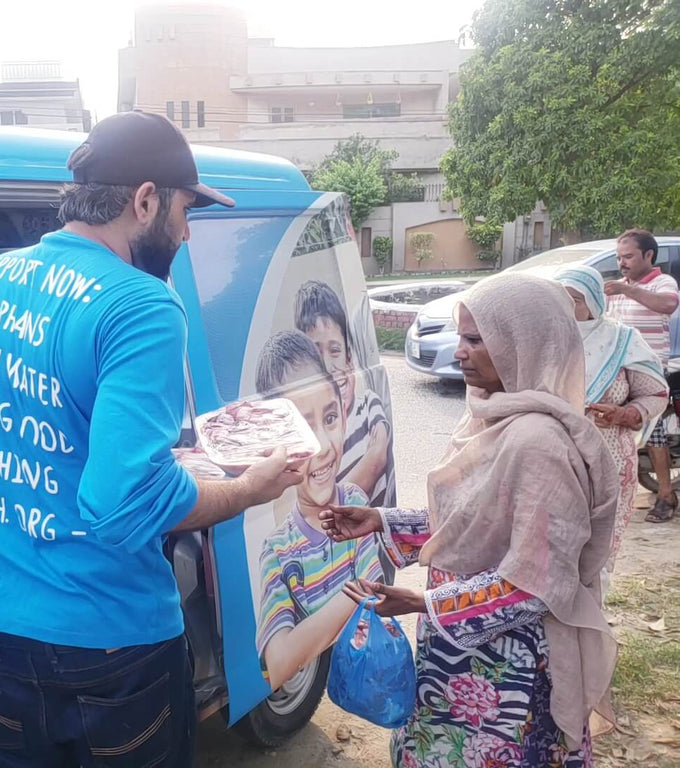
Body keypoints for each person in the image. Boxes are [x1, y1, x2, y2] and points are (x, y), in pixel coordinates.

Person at [0, 111, 302, 768]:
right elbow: (123, 503)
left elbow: (31, 429)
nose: (186, 230)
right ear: (144, 200)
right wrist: (250, 486)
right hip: (106, 640)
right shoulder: (140, 303)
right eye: (183, 211)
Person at [322, 273, 618, 768]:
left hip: (507, 670)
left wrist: (423, 602)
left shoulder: (538, 444)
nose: (459, 352)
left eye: (476, 340)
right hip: (459, 652)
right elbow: (469, 523)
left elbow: (538, 586)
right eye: (461, 337)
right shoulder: (489, 419)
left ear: (523, 343)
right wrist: (379, 519)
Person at [253, 331, 382, 688]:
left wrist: (308, 634)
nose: (324, 447)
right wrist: (355, 591)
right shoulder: (278, 551)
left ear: (343, 412)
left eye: (329, 419)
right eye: (301, 431)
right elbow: (278, 665)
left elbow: (376, 596)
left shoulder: (355, 502)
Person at [555, 265, 667, 591]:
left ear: (593, 301)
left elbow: (655, 394)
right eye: (560, 299)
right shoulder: (547, 340)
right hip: (554, 460)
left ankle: (591, 620)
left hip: (609, 461)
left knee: (596, 552)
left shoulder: (621, 340)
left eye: (574, 299)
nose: (567, 307)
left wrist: (625, 414)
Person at [294, 280, 394, 507]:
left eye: (335, 350)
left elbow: (377, 459)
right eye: (315, 353)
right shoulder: (304, 425)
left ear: (349, 359)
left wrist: (329, 508)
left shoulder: (368, 404)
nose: (328, 365)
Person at [605, 229, 680, 522]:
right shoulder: (619, 288)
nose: (622, 263)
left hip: (650, 371)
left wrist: (627, 290)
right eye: (619, 257)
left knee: (654, 433)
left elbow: (668, 305)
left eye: (628, 256)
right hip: (620, 371)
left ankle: (665, 495)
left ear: (648, 255)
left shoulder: (662, 282)